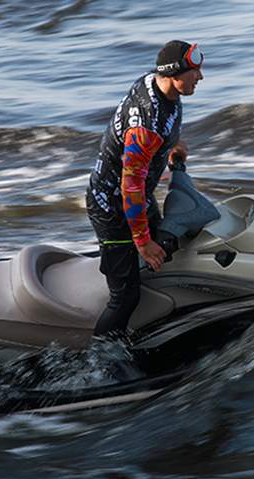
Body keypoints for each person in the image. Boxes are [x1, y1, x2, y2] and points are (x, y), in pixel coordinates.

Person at [85, 40, 204, 340]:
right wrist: (142, 242)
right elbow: (131, 188)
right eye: (194, 73)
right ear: (175, 74)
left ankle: (159, 320)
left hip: (136, 197)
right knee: (125, 297)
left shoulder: (159, 86)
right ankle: (99, 358)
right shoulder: (146, 124)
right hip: (111, 207)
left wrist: (170, 148)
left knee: (166, 251)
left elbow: (159, 134)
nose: (200, 78)